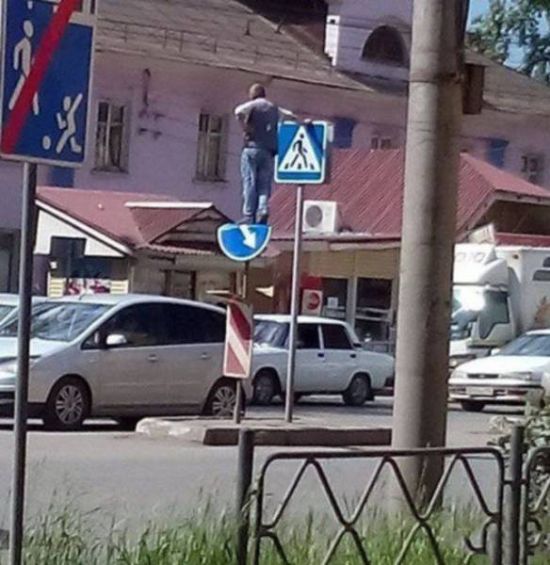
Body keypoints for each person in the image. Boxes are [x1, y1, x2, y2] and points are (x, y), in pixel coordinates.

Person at [234, 84, 300, 225]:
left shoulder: (253, 105)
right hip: (268, 151)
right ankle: (263, 209)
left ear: (253, 94)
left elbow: (238, 111)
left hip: (251, 148)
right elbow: (290, 116)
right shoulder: (274, 108)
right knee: (264, 184)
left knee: (250, 181)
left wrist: (245, 126)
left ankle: (248, 215)